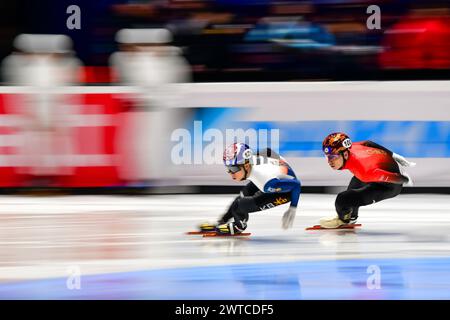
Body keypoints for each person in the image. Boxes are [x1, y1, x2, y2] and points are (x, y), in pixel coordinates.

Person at [199, 143, 301, 235]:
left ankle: (239, 226)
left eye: (233, 169)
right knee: (243, 195)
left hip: (286, 192)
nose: (230, 173)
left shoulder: (266, 182)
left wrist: (293, 208)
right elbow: (268, 151)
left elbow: (296, 185)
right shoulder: (251, 160)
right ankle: (221, 221)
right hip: (273, 176)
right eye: (228, 169)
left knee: (241, 204)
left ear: (247, 166)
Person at [320, 132, 416, 228]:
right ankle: (351, 216)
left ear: (345, 154)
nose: (329, 161)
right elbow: (368, 143)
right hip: (377, 170)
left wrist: (405, 179)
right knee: (352, 188)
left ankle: (344, 220)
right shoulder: (352, 147)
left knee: (342, 200)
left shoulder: (365, 170)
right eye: (327, 156)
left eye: (333, 157)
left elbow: (391, 177)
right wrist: (394, 155)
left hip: (389, 186)